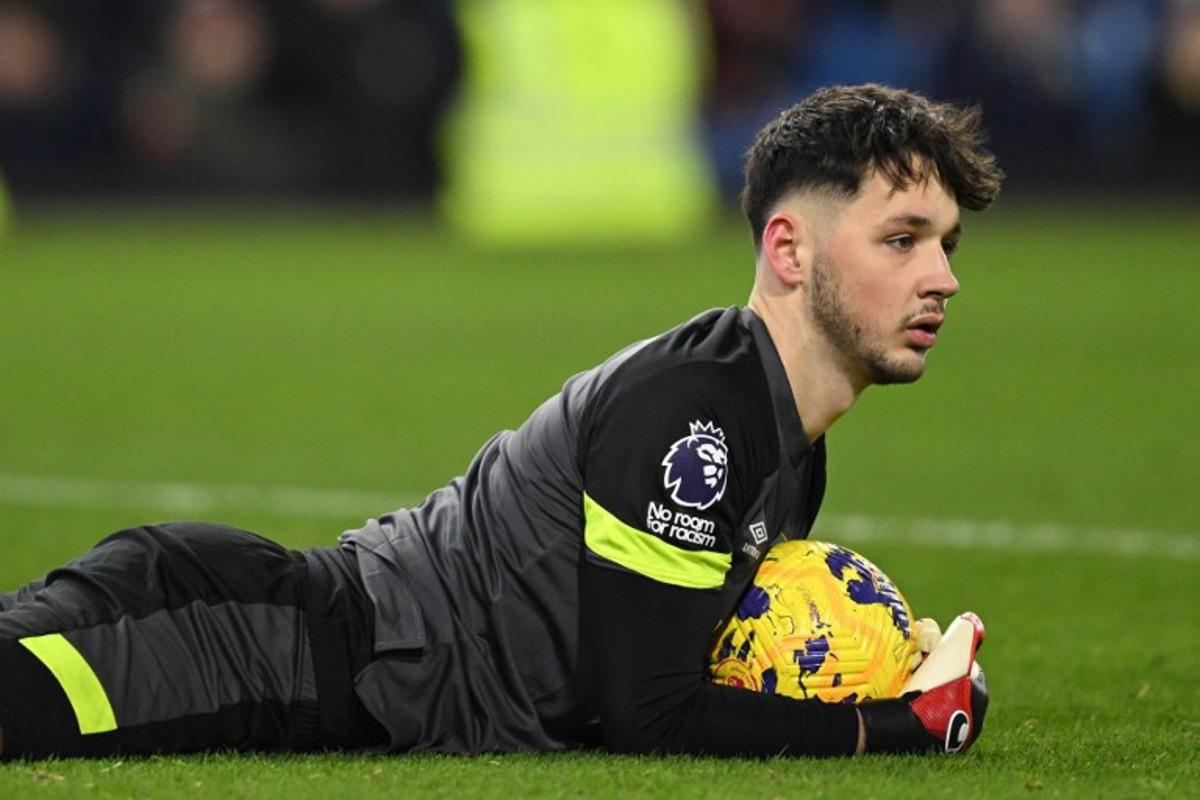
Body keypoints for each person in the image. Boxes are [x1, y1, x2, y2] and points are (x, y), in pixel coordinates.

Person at [0, 83, 1002, 760]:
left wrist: (871, 655)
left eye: (947, 243)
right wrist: (903, 723)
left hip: (292, 646)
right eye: (903, 238)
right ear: (789, 249)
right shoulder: (697, 413)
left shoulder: (784, 444)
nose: (943, 277)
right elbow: (646, 708)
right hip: (253, 644)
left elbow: (706, 656)